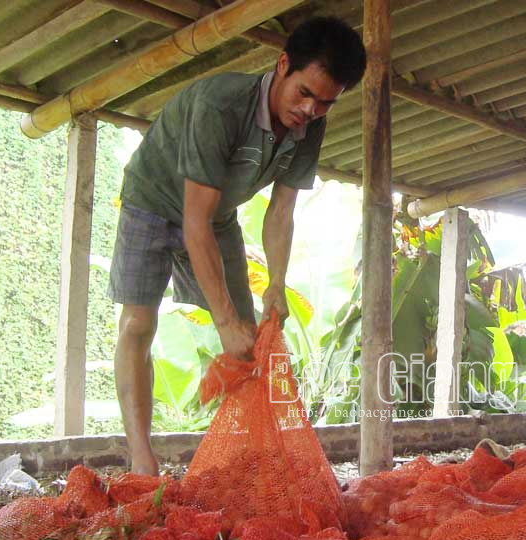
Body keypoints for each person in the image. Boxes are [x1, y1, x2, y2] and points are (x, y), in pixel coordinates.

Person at [107, 17, 367, 475]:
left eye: (325, 103)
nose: (310, 110)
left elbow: (281, 210)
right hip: (152, 202)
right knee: (138, 324)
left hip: (217, 216)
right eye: (304, 93)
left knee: (248, 339)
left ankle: (248, 457)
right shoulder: (219, 106)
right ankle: (141, 458)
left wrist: (278, 285)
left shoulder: (310, 129)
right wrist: (222, 318)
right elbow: (194, 221)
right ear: (283, 65)